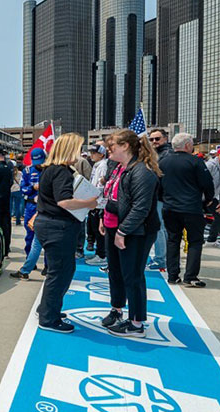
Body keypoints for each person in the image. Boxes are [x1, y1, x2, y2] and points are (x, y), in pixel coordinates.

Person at [31, 133, 98, 333]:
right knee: (61, 272)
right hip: (57, 226)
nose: (79, 153)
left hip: (52, 224)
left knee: (58, 271)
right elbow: (64, 201)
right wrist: (90, 203)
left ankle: (47, 309)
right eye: (77, 149)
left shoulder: (51, 169)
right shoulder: (61, 171)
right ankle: (48, 318)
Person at [100, 129, 163, 337]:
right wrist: (105, 219)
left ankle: (136, 322)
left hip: (136, 232)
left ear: (125, 146)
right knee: (115, 272)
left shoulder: (141, 171)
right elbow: (112, 197)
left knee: (133, 276)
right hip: (115, 227)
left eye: (112, 147)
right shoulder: (119, 168)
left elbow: (140, 208)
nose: (108, 150)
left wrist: (122, 231)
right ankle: (117, 308)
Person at [159, 133, 214, 288]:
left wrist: (164, 199)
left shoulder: (163, 162)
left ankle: (172, 275)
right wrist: (209, 200)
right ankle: (190, 276)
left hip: (169, 207)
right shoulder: (196, 161)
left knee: (173, 240)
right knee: (195, 241)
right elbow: (207, 184)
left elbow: (158, 184)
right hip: (191, 207)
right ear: (188, 146)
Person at [10, 148, 49, 280]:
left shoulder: (49, 170)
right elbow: (23, 189)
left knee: (45, 240)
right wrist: (33, 188)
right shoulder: (27, 171)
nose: (39, 164)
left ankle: (47, 266)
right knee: (30, 237)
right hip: (31, 206)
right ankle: (30, 262)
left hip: (46, 207)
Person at [146, 128, 171, 271]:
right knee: (162, 228)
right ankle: (163, 257)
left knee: (159, 228)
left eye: (157, 139)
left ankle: (161, 259)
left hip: (160, 196)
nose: (154, 141)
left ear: (165, 139)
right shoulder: (159, 154)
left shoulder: (165, 155)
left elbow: (160, 177)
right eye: (152, 139)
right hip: (162, 196)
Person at [85, 142, 110, 267]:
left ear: (101, 154)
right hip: (95, 200)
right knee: (94, 229)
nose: (91, 155)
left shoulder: (103, 165)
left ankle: (102, 255)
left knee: (100, 230)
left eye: (94, 153)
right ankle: (100, 252)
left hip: (99, 202)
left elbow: (102, 185)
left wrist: (93, 196)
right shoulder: (97, 165)